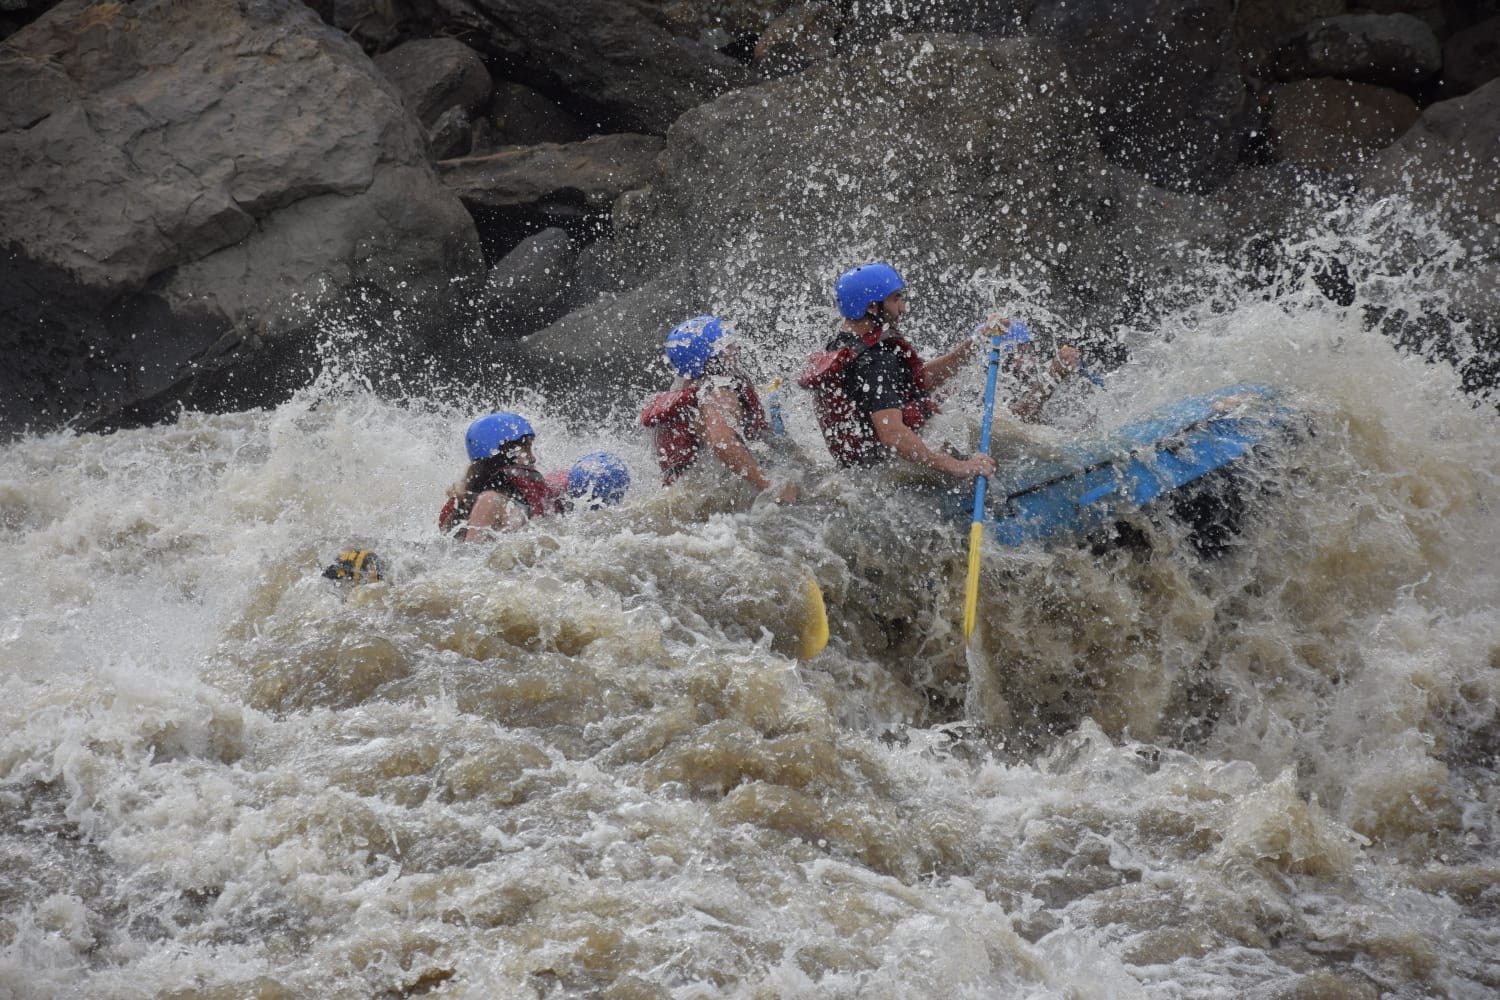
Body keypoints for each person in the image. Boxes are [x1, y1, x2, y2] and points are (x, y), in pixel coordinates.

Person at [798, 262, 997, 479]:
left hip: (860, 474)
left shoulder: (841, 345)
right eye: (895, 299)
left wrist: (976, 343)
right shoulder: (875, 361)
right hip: (887, 475)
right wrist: (956, 466)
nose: (902, 308)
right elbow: (892, 435)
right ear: (871, 307)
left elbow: (918, 381)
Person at [640, 315, 799, 503]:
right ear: (711, 357)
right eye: (727, 345)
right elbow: (721, 441)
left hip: (685, 496)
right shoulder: (717, 392)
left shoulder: (688, 385)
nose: (736, 348)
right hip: (708, 500)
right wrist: (769, 486)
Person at [438, 412, 564, 542]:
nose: (532, 458)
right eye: (525, 449)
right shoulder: (490, 500)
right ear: (503, 454)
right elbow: (470, 550)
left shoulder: (511, 500)